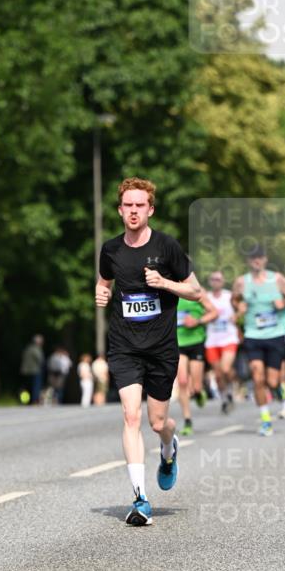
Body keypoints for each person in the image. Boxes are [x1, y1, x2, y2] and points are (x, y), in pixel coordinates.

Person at [95, 177, 200, 526]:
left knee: (157, 423)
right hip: (124, 346)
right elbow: (104, 280)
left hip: (161, 348)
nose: (134, 211)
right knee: (130, 417)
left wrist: (164, 283)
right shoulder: (110, 250)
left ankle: (169, 451)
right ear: (120, 209)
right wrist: (101, 294)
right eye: (128, 205)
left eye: (140, 205)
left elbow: (196, 291)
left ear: (150, 209)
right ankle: (140, 498)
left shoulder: (167, 247)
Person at [232, 245, 285, 437]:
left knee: (273, 381)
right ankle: (266, 420)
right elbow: (234, 300)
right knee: (258, 377)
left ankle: (280, 392)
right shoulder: (242, 282)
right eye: (253, 258)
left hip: (275, 335)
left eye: (260, 257)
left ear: (265, 259)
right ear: (249, 261)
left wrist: (283, 303)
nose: (256, 260)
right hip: (253, 335)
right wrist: (239, 307)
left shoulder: (276, 279)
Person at [176, 287, 218, 436]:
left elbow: (214, 312)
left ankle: (199, 393)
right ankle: (187, 420)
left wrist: (198, 321)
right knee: (182, 381)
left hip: (196, 342)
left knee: (196, 386)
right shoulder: (168, 290)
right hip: (177, 342)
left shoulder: (196, 291)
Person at [204, 269, 240, 414]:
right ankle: (225, 397)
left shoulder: (229, 296)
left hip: (229, 338)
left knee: (226, 369)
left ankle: (231, 386)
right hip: (212, 340)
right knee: (218, 374)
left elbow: (243, 307)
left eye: (218, 279)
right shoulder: (206, 297)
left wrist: (237, 315)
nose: (216, 282)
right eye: (213, 279)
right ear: (210, 282)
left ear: (223, 281)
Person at [20, 335, 44, 405]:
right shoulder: (36, 349)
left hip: (25, 371)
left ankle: (25, 400)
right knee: (36, 387)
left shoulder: (27, 348)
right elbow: (40, 359)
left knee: (27, 387)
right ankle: (34, 401)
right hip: (35, 370)